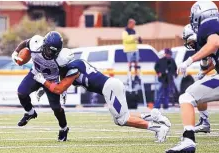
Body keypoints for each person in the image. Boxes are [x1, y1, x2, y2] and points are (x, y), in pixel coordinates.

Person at [33, 49, 171, 143]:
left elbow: (60, 88)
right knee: (120, 119)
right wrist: (46, 88)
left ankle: (158, 128)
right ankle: (154, 117)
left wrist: (42, 81)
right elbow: (61, 84)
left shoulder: (73, 69)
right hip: (111, 86)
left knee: (123, 120)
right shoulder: (76, 64)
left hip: (110, 88)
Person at [166, 1, 219, 152]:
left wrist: (189, 61)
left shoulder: (208, 26)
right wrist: (204, 69)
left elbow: (215, 42)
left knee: (186, 98)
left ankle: (188, 140)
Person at [11, 31, 71, 141]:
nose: (50, 54)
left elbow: (63, 73)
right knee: (21, 93)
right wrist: (16, 52)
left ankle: (64, 128)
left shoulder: (61, 58)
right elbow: (25, 43)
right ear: (44, 44)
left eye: (54, 51)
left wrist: (63, 88)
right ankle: (30, 113)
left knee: (56, 108)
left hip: (51, 81)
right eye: (48, 49)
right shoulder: (36, 43)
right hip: (36, 74)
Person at [182, 24, 219, 133]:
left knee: (191, 93)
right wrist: (203, 73)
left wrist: (189, 61)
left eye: (189, 41)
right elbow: (214, 63)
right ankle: (204, 121)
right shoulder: (208, 45)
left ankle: (204, 122)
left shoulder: (212, 42)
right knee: (195, 90)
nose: (189, 44)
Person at [122, 19, 142, 90]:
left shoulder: (134, 31)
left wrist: (138, 39)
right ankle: (130, 74)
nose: (134, 26)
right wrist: (134, 37)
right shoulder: (125, 31)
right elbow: (126, 39)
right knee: (130, 62)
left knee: (136, 61)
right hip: (129, 49)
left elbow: (136, 40)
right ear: (129, 24)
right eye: (133, 24)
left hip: (135, 49)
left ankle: (136, 75)